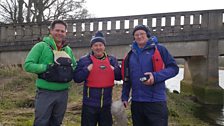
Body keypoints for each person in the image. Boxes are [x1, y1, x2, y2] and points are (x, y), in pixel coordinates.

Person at [121, 24, 179, 126]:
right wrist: (124, 97)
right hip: (137, 103)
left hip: (155, 102)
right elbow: (127, 79)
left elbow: (174, 69)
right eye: (136, 35)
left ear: (147, 35)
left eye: (142, 34)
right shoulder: (130, 54)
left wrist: (155, 77)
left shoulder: (160, 49)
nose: (139, 36)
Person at [23, 20, 77, 126]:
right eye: (57, 30)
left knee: (57, 123)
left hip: (63, 93)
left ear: (65, 33)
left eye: (62, 31)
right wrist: (46, 68)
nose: (60, 33)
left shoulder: (68, 50)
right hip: (45, 93)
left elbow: (74, 66)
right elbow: (28, 65)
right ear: (51, 31)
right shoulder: (41, 46)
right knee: (41, 122)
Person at [73, 31, 122, 126]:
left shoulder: (112, 60)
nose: (98, 47)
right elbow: (77, 78)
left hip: (106, 105)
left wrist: (113, 69)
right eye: (95, 45)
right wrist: (87, 70)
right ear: (92, 47)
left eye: (100, 45)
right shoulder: (84, 60)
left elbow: (119, 77)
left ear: (104, 47)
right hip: (89, 105)